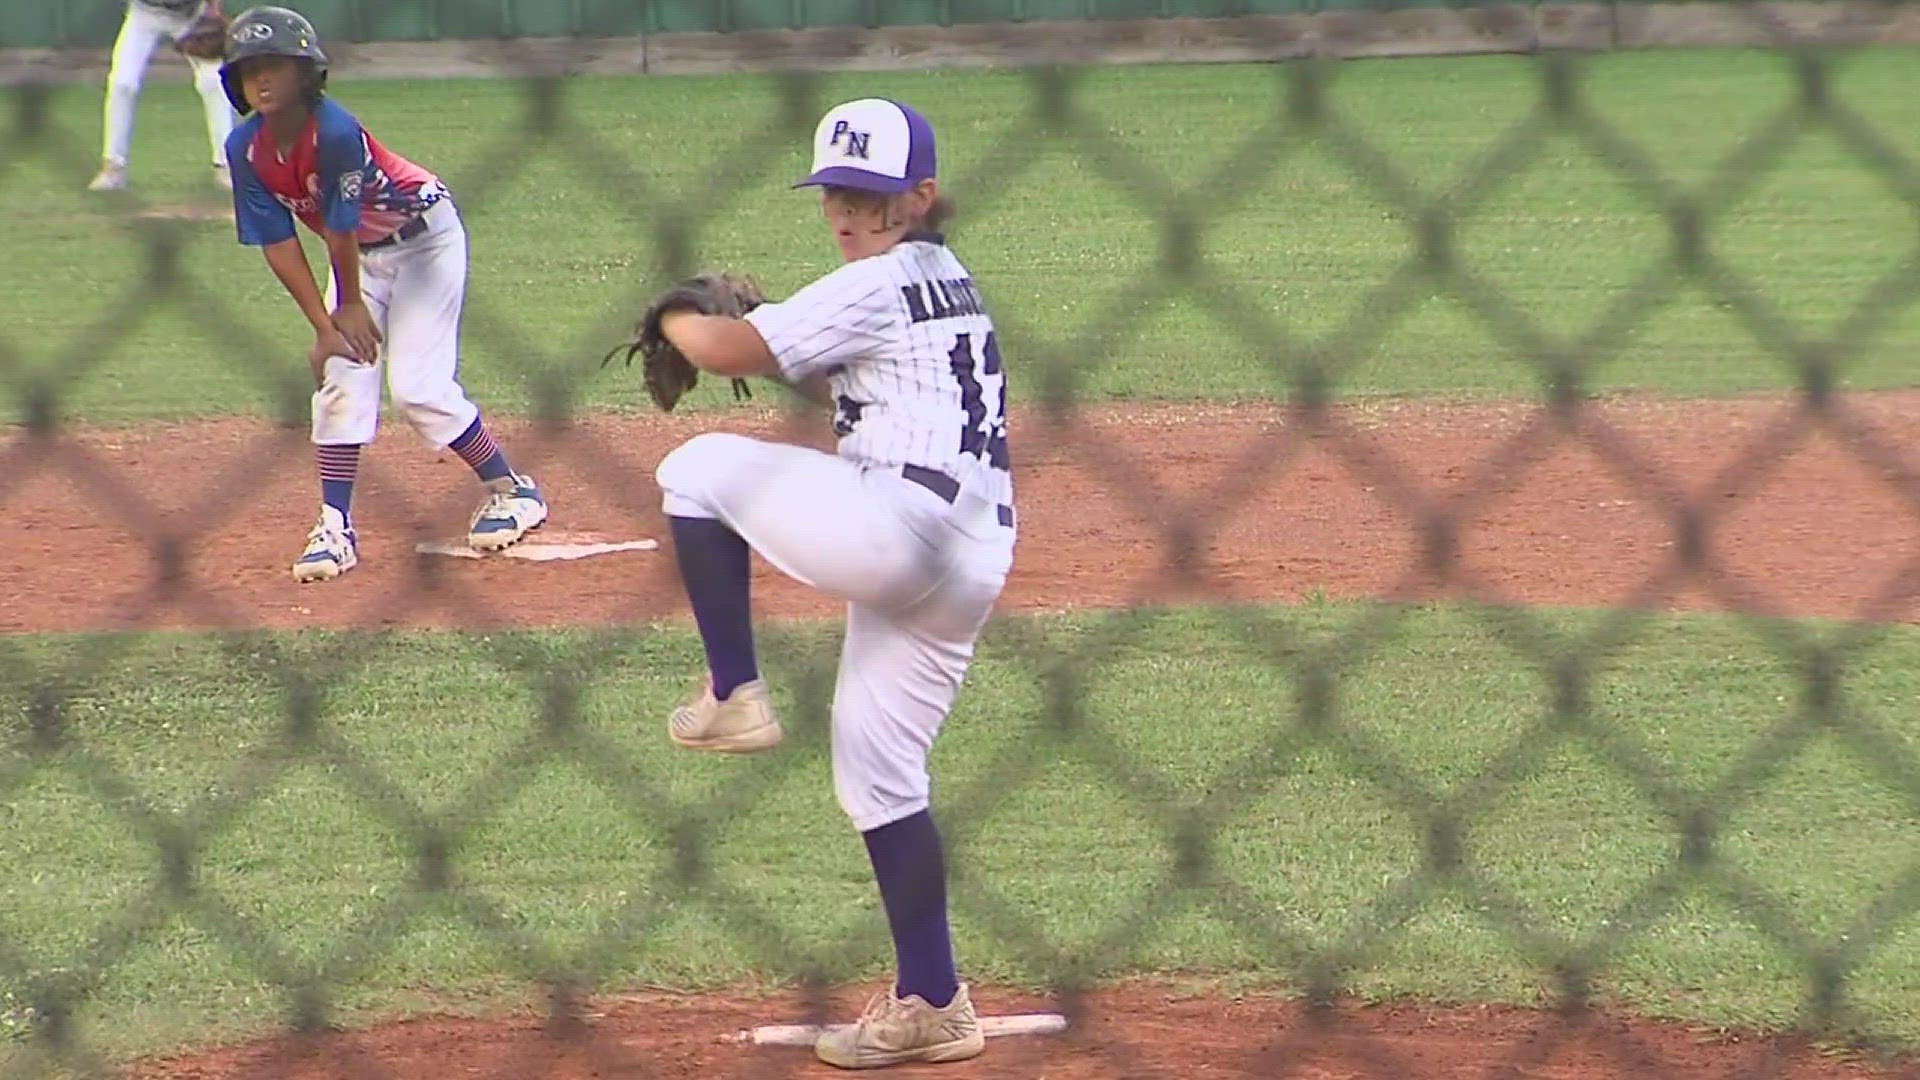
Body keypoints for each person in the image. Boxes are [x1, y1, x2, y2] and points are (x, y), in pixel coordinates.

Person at [648, 97, 1016, 1069]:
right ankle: (936, 1002)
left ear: (921, 198)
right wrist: (765, 347)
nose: (847, 214)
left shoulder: (883, 277)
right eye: (835, 196)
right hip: (968, 556)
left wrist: (677, 314)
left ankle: (734, 692)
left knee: (695, 471)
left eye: (869, 196)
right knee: (878, 770)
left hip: (900, 526)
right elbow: (834, 378)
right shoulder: (944, 278)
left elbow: (727, 349)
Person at [217, 5, 548, 582]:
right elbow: (278, 242)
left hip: (424, 244)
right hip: (361, 260)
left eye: (276, 67)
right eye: (250, 71)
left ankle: (512, 489)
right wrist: (325, 326)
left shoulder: (336, 132)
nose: (263, 81)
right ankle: (335, 526)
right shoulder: (246, 148)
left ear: (306, 74)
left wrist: (347, 307)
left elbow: (340, 227)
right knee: (342, 381)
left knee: (419, 390)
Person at [90, 0, 237, 192]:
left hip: (191, 14)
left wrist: (215, 9)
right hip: (144, 13)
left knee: (214, 83)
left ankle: (225, 165)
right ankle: (113, 168)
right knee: (123, 83)